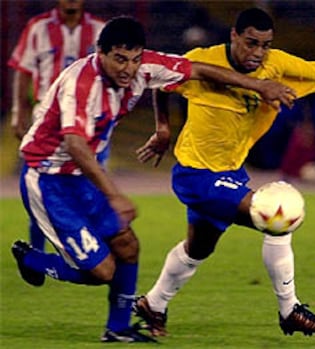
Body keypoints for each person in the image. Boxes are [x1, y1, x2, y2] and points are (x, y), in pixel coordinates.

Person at [10, 15, 297, 343]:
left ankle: (117, 328)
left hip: (82, 177)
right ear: (99, 53)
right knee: (102, 272)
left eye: (134, 59)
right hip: (49, 180)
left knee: (128, 248)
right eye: (119, 59)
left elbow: (199, 69)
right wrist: (115, 194)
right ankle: (33, 259)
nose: (128, 69)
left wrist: (258, 85)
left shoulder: (145, 67)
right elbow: (76, 146)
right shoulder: (82, 84)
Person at [134, 7, 315, 338]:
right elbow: (162, 83)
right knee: (276, 213)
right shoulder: (202, 58)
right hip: (195, 174)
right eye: (251, 43)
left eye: (265, 45)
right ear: (234, 35)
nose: (258, 53)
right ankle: (289, 309)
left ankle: (154, 303)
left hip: (230, 172)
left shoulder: (277, 64)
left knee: (198, 249)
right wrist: (163, 129)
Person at [8, 0, 105, 251]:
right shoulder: (38, 27)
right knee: (41, 189)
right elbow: (22, 70)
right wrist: (18, 113)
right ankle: (36, 251)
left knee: (89, 191)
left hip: (89, 123)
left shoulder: (100, 30)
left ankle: (89, 251)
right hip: (48, 122)